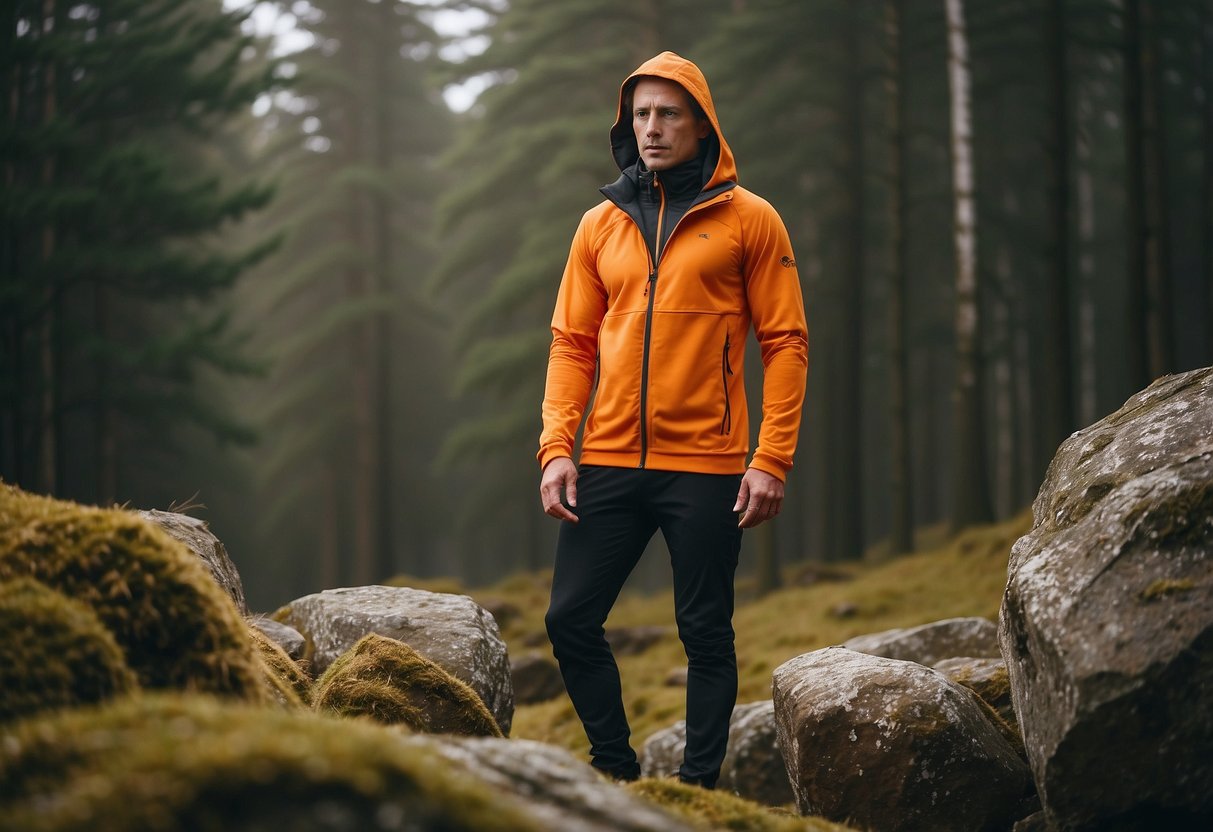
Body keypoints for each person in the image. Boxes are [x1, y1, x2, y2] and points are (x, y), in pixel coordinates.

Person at [537, 51, 808, 788]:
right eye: (640, 115)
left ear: (701, 124)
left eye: (668, 114)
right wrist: (557, 448)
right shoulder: (598, 225)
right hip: (609, 458)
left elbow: (785, 345)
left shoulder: (751, 221)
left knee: (705, 636)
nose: (650, 128)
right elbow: (571, 343)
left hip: (709, 465)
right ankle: (616, 774)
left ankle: (695, 790)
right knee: (569, 619)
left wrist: (770, 458)